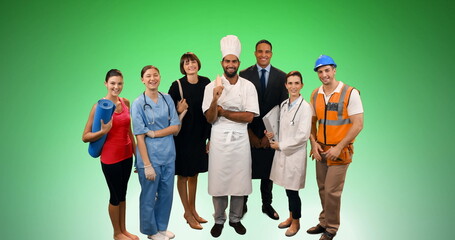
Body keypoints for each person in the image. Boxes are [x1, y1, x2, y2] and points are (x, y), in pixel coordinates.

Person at [202, 35, 259, 238]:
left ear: (239, 63)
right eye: (227, 61)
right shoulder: (211, 87)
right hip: (218, 140)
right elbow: (209, 118)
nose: (231, 64)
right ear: (222, 63)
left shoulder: (248, 86)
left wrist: (224, 112)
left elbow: (249, 117)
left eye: (234, 61)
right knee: (218, 181)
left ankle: (235, 219)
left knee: (239, 181)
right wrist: (215, 99)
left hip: (240, 141)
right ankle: (219, 220)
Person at [306, 55, 364, 240]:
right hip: (321, 150)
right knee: (322, 188)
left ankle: (331, 228)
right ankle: (323, 221)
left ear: (334, 70)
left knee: (332, 190)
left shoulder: (349, 93)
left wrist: (339, 147)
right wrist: (313, 144)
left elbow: (358, 124)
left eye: (327, 70)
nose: (324, 75)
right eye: (320, 71)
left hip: (339, 151)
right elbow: (311, 122)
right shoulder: (316, 94)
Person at [82, 69, 139, 240]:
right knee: (115, 196)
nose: (116, 87)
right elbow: (85, 137)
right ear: (106, 84)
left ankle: (124, 230)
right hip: (110, 158)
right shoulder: (98, 106)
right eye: (113, 83)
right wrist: (103, 131)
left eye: (119, 83)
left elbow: (130, 131)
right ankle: (116, 233)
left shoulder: (126, 102)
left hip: (126, 155)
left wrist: (138, 157)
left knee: (123, 194)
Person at [239, 39, 287, 220]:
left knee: (268, 173)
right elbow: (239, 106)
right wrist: (248, 133)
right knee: (244, 170)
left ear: (271, 54)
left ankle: (267, 205)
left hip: (270, 133)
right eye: (260, 51)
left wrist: (271, 136)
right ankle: (241, 205)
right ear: (255, 53)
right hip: (247, 132)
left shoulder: (282, 77)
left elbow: (282, 109)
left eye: (267, 51)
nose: (263, 55)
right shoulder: (243, 75)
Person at [131, 65, 180, 240]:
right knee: (149, 196)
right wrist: (147, 165)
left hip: (168, 155)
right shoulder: (138, 103)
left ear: (160, 77)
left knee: (167, 194)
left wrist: (153, 132)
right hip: (150, 157)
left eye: (156, 75)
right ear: (142, 79)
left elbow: (175, 127)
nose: (152, 78)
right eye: (148, 76)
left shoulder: (167, 99)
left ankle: (161, 227)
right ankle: (150, 231)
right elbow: (140, 137)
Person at [265, 71, 312, 237]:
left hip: (294, 155)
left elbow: (302, 136)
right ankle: (291, 217)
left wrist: (281, 145)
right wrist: (271, 135)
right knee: (288, 189)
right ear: (286, 86)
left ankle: (296, 222)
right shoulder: (284, 105)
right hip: (283, 153)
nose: (293, 86)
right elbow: (282, 129)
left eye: (297, 83)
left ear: (302, 85)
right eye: (290, 83)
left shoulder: (305, 108)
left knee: (293, 191)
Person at [168, 52, 211, 230]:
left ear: (198, 64)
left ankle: (193, 209)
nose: (190, 65)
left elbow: (210, 111)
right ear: (182, 67)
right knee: (183, 175)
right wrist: (178, 109)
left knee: (195, 174)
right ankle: (186, 211)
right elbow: (168, 114)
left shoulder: (206, 82)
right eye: (186, 63)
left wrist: (210, 138)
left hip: (200, 135)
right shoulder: (177, 85)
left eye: (193, 62)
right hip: (183, 137)